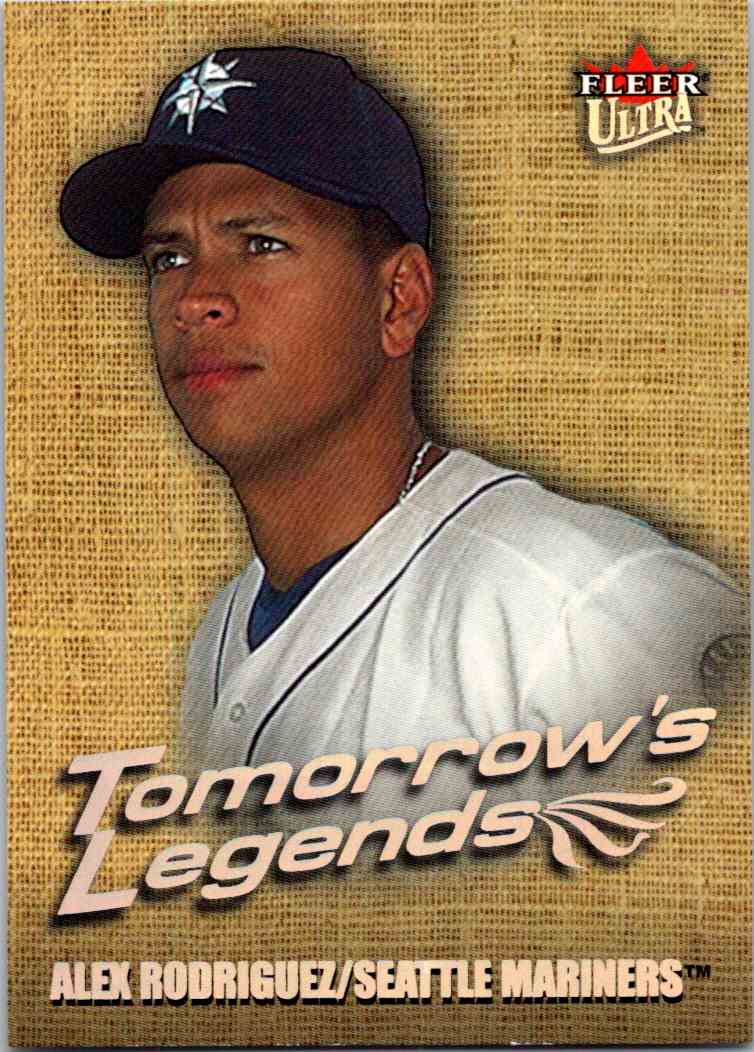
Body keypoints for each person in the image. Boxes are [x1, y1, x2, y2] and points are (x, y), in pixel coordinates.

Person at [60, 46, 746, 828]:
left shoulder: (582, 604)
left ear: (399, 302)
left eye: (260, 244)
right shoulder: (222, 630)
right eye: (169, 258)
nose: (194, 299)